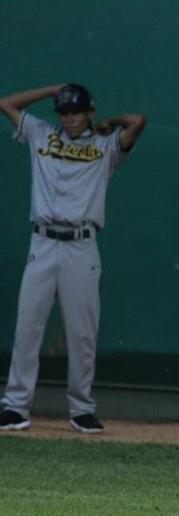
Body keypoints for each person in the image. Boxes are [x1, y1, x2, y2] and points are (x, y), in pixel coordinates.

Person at [0, 83, 146, 433]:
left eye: (76, 111)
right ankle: (16, 407)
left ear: (89, 112)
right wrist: (54, 90)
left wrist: (110, 121)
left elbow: (138, 122)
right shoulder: (41, 133)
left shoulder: (105, 146)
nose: (70, 118)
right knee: (28, 327)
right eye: (65, 112)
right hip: (44, 242)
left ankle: (81, 408)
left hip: (82, 244)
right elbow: (6, 103)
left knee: (82, 333)